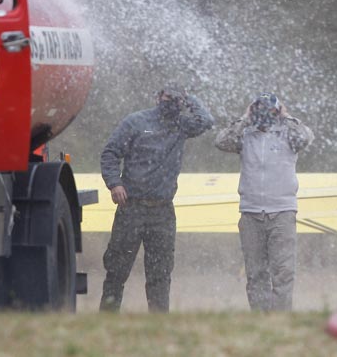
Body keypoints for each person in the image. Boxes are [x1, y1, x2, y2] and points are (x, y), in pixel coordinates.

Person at [98, 85, 213, 313]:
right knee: (117, 270)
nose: (170, 102)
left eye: (176, 99)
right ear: (157, 97)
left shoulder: (181, 124)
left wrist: (189, 99)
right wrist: (115, 183)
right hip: (131, 208)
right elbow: (110, 153)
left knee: (160, 273)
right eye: (167, 97)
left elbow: (206, 120)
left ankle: (159, 322)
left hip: (162, 212)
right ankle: (107, 319)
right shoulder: (136, 122)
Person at [214, 93, 314, 311]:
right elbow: (221, 141)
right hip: (251, 213)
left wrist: (286, 115)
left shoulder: (288, 134)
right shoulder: (245, 135)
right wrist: (244, 118)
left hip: (282, 212)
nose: (264, 116)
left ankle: (280, 318)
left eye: (269, 111)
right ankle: (260, 317)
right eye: (259, 111)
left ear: (277, 112)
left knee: (283, 271)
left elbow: (306, 138)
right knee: (256, 272)